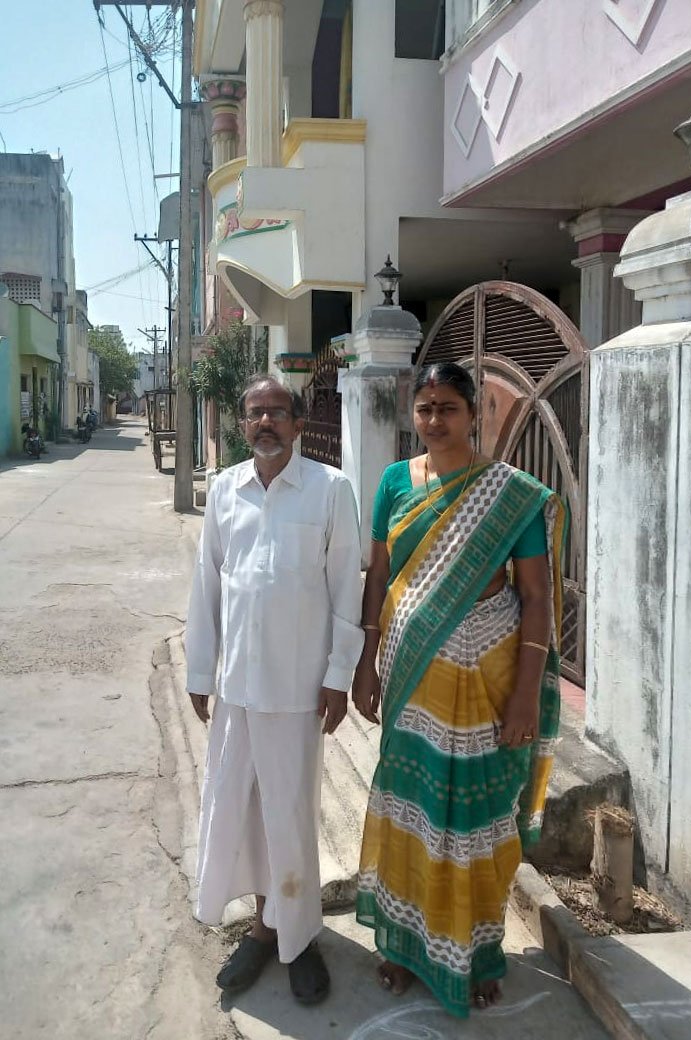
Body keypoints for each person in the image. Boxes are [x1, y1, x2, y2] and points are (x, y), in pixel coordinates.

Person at [352, 362, 565, 1019]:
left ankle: (475, 953)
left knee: (476, 820)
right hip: (413, 672)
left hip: (491, 676)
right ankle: (404, 943)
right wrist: (366, 660)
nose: (434, 420)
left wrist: (527, 695)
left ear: (476, 416)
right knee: (410, 807)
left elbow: (534, 597)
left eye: (447, 407)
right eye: (423, 408)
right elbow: (379, 576)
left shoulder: (511, 494)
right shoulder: (394, 482)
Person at [185, 374, 364, 1005]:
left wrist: (338, 678)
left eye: (277, 413)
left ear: (297, 422)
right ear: (242, 425)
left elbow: (348, 590)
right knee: (244, 812)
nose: (266, 423)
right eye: (256, 413)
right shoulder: (225, 490)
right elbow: (207, 585)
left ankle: (299, 938)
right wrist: (200, 673)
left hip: (297, 690)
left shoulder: (330, 489)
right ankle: (265, 931)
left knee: (288, 815)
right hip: (236, 688)